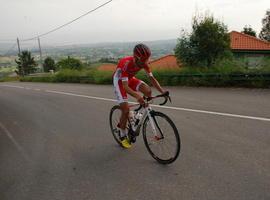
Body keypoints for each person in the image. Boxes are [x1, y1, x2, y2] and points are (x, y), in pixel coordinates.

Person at [113, 43, 167, 148]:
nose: (145, 63)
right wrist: (138, 97)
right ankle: (122, 134)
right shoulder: (126, 63)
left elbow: (152, 80)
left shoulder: (144, 63)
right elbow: (125, 86)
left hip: (130, 79)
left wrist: (162, 92)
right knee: (125, 110)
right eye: (143, 60)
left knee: (148, 91)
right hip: (120, 82)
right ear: (136, 58)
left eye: (146, 60)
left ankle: (136, 115)